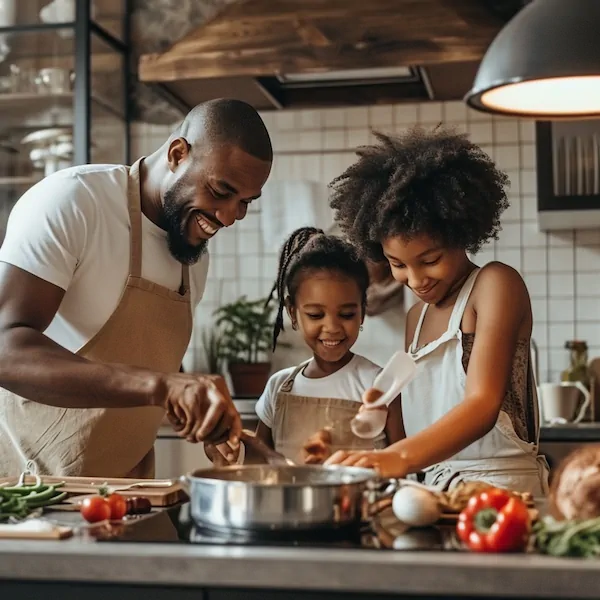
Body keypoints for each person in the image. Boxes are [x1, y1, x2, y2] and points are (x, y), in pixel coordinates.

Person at [0, 98, 272, 478]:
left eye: (244, 203)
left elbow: (154, 358)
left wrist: (206, 417)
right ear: (178, 153)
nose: (229, 217)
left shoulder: (192, 254)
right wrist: (164, 386)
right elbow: (4, 349)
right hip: (29, 491)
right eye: (221, 191)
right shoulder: (76, 202)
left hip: (127, 493)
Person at [325, 126, 549, 496]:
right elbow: (424, 422)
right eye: (397, 264)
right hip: (434, 491)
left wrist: (398, 458)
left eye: (429, 260)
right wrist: (384, 410)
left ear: (461, 234)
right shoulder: (417, 319)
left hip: (502, 491)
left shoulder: (495, 285)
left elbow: (481, 405)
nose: (415, 280)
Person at [241, 227, 403, 465]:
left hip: (359, 502)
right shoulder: (279, 389)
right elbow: (258, 465)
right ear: (293, 312)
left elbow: (403, 463)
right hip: (290, 502)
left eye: (347, 314)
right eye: (316, 315)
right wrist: (235, 445)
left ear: (362, 311)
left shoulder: (380, 385)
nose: (332, 328)